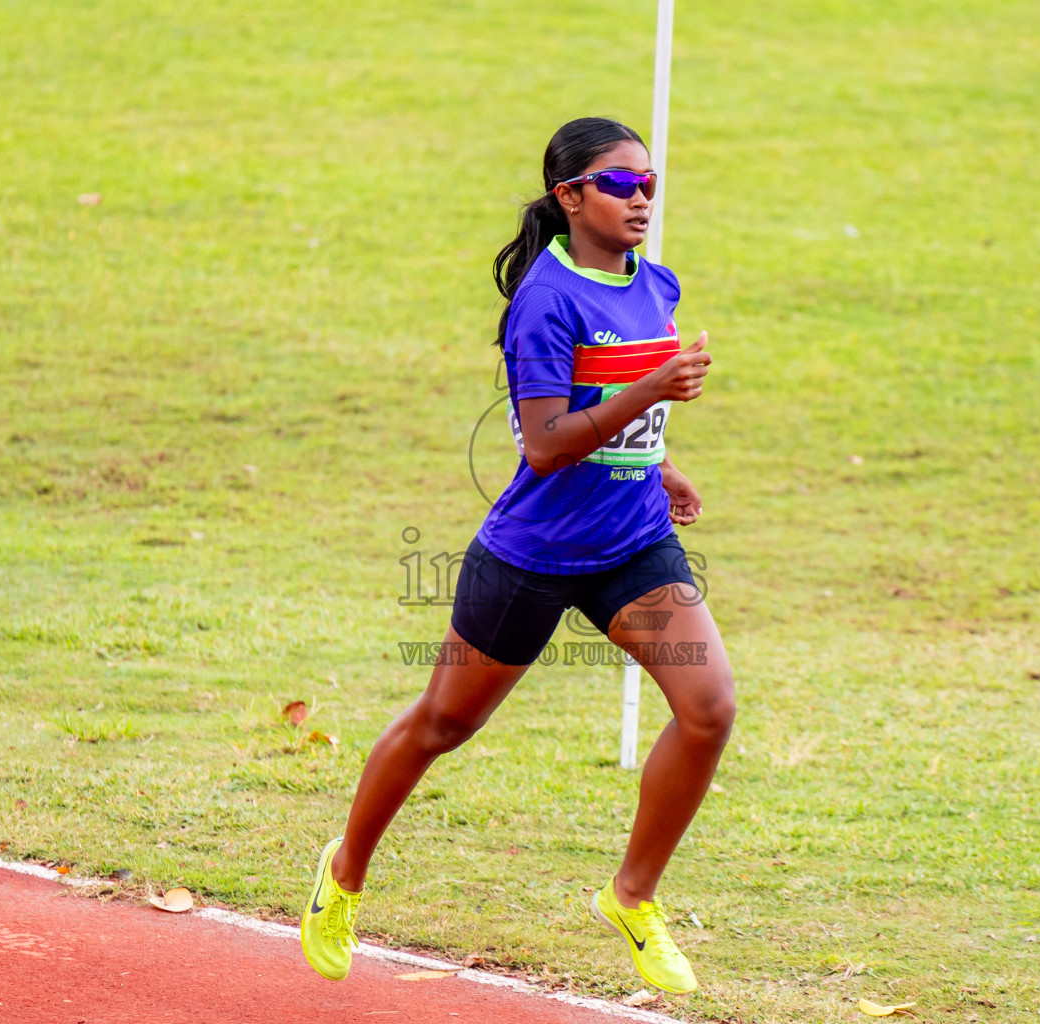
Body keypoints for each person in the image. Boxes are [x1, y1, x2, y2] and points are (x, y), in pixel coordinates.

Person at [301, 116, 734, 997]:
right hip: (532, 556)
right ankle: (342, 873)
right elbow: (544, 444)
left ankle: (631, 897)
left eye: (650, 182)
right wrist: (652, 388)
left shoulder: (655, 285)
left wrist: (665, 467)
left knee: (709, 708)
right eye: (619, 185)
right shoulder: (547, 299)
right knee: (443, 725)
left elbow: (619, 416)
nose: (641, 197)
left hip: (631, 543)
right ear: (571, 196)